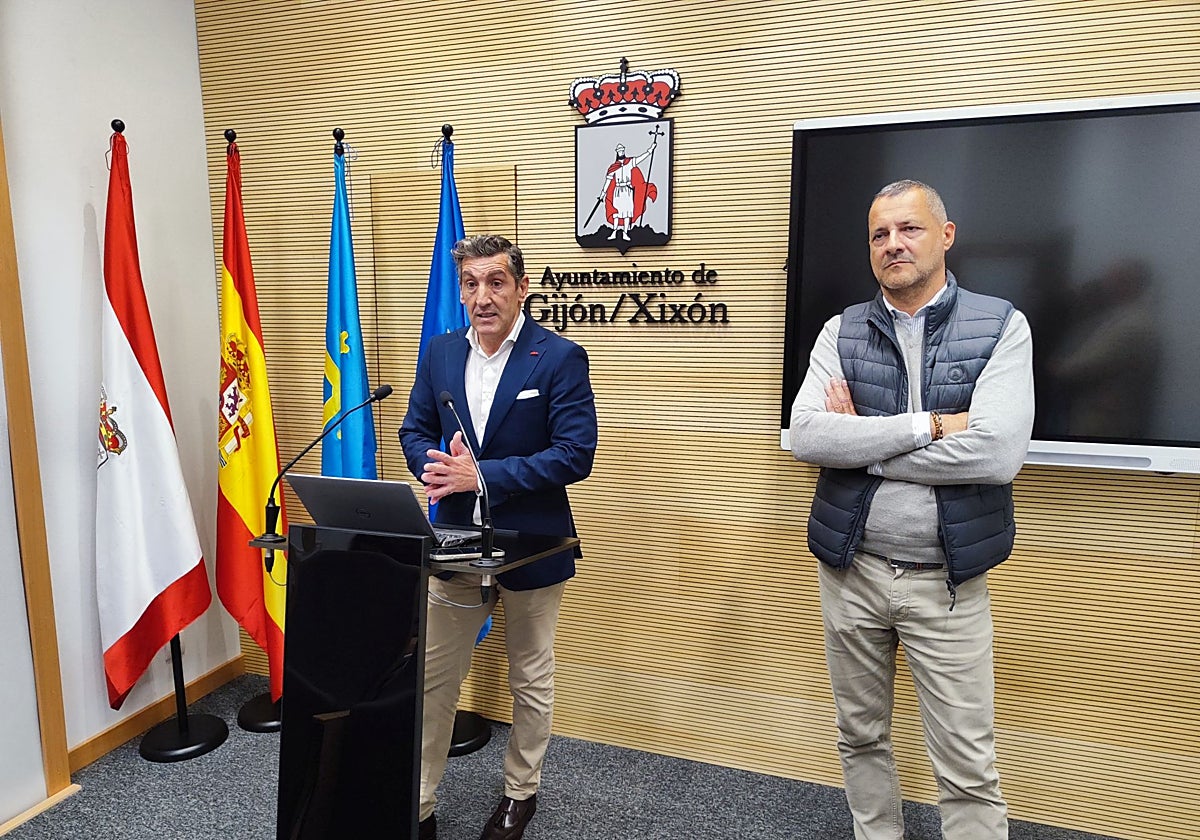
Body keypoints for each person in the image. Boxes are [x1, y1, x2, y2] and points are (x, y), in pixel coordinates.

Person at [789, 180, 1034, 840]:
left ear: (945, 236)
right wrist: (929, 425)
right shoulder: (841, 329)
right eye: (879, 234)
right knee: (859, 737)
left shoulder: (1002, 326)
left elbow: (997, 454)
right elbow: (805, 436)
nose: (893, 243)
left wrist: (860, 443)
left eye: (910, 228)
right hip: (851, 575)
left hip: (946, 585)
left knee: (966, 763)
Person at [399, 234, 598, 840]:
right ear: (460, 291)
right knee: (434, 677)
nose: (482, 296)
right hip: (455, 542)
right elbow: (414, 430)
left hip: (533, 542)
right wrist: (434, 464)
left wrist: (482, 474)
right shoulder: (437, 354)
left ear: (521, 287)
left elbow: (574, 454)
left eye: (496, 282)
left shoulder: (557, 357)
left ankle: (520, 793)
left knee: (529, 676)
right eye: (471, 284)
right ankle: (421, 799)